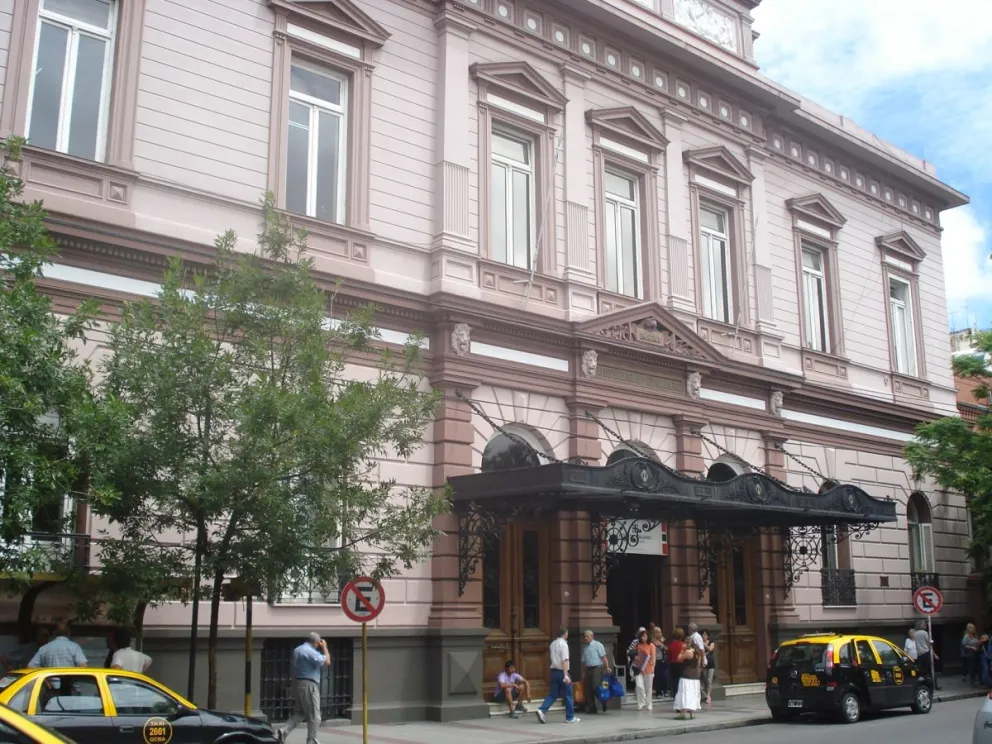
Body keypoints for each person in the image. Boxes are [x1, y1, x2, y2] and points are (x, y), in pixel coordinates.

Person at [276, 632, 330, 744]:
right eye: (318, 643)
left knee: (300, 712)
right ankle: (312, 740)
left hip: (297, 683)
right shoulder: (310, 651)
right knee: (315, 716)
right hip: (309, 684)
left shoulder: (297, 649)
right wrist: (324, 647)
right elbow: (327, 662)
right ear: (316, 642)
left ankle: (284, 731)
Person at [536, 626, 579, 725]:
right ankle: (570, 717)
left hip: (554, 671)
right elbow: (565, 660)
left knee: (553, 694)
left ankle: (542, 709)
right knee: (568, 695)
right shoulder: (564, 645)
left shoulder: (553, 644)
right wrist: (566, 675)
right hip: (562, 672)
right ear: (565, 633)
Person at [581, 630, 610, 715]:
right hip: (588, 669)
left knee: (596, 687)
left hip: (597, 668)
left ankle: (604, 701)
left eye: (587, 636)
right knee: (588, 689)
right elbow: (583, 662)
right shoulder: (585, 648)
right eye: (584, 636)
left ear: (592, 636)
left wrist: (607, 667)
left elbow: (604, 657)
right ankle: (592, 707)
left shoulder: (598, 645)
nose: (585, 638)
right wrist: (583, 673)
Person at [673, 645, 703, 720]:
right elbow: (698, 665)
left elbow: (679, 659)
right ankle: (691, 713)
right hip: (695, 677)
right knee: (692, 694)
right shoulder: (698, 653)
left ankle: (682, 713)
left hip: (686, 676)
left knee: (684, 693)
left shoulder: (688, 652)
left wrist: (682, 650)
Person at [632, 629, 656, 711]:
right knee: (639, 686)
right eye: (642, 636)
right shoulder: (637, 645)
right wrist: (635, 657)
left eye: (645, 636)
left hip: (648, 668)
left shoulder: (651, 645)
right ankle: (640, 703)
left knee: (649, 688)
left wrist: (653, 667)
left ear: (648, 637)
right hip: (638, 668)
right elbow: (633, 654)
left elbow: (653, 657)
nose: (643, 638)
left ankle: (649, 704)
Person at [913, 621, 939, 691]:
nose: (926, 626)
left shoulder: (914, 634)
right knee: (931, 671)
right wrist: (934, 654)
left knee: (922, 672)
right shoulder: (925, 633)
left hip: (919, 655)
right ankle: (934, 686)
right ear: (921, 625)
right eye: (924, 625)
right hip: (926, 653)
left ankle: (925, 687)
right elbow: (928, 644)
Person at [667, 627, 685, 698]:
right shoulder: (683, 645)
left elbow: (669, 656)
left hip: (673, 665)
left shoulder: (671, 645)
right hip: (682, 665)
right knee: (682, 681)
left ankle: (675, 696)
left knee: (675, 682)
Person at [652, 628, 669, 700]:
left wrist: (662, 645)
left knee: (664, 676)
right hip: (655, 660)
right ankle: (658, 692)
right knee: (657, 676)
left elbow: (668, 649)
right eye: (656, 632)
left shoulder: (664, 640)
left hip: (663, 660)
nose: (658, 634)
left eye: (659, 632)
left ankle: (665, 690)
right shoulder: (652, 641)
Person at [700, 630, 716, 704]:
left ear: (708, 635)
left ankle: (708, 696)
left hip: (711, 663)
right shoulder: (700, 643)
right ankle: (706, 696)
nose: (704, 636)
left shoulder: (711, 642)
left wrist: (703, 644)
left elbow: (710, 648)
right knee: (705, 679)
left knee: (709, 680)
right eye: (703, 634)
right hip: (704, 663)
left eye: (705, 634)